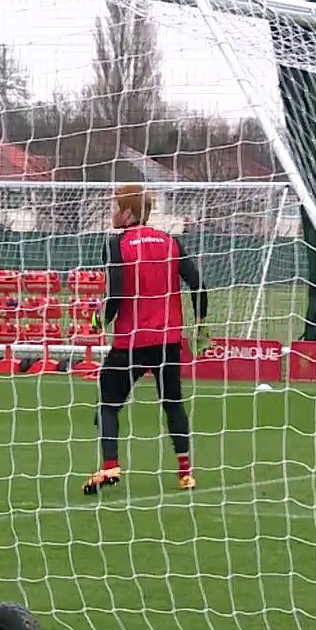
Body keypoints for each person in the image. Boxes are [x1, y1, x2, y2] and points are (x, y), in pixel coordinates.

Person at [82, 184, 209, 496]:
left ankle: (110, 466)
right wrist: (201, 324)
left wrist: (99, 320)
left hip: (131, 342)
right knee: (173, 403)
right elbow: (198, 284)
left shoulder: (117, 244)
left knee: (108, 404)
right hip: (168, 340)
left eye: (115, 207)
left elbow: (116, 293)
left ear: (128, 213)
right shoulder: (171, 242)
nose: (112, 213)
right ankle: (186, 474)